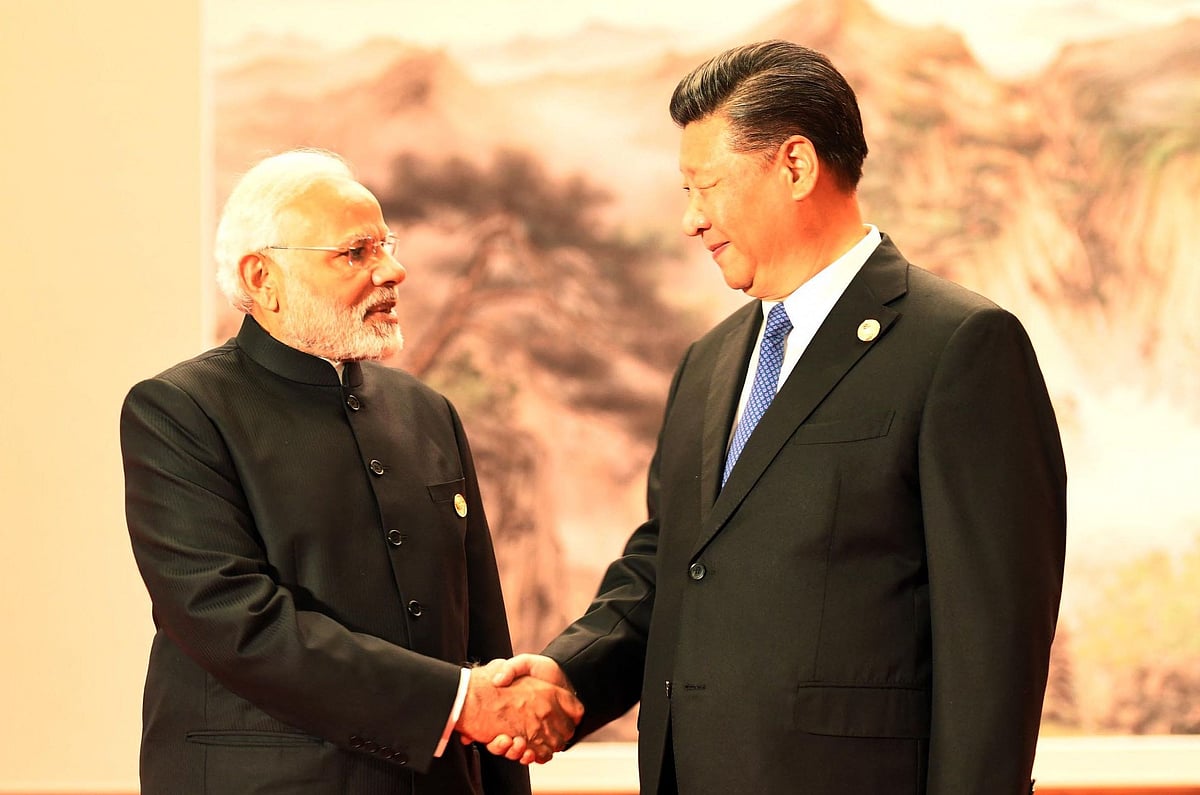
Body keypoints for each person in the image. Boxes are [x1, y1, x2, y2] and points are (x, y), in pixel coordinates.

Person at [490, 40, 1067, 794]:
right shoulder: (708, 362)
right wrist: (571, 672)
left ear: (795, 165)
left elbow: (994, 643)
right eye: (685, 190)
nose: (692, 219)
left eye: (707, 187)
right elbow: (674, 563)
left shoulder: (961, 346)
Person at [120, 148, 581, 795]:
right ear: (263, 277)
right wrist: (458, 701)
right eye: (356, 252)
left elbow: (481, 632)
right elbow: (233, 620)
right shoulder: (179, 411)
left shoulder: (428, 411)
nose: (393, 269)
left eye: (386, 245)